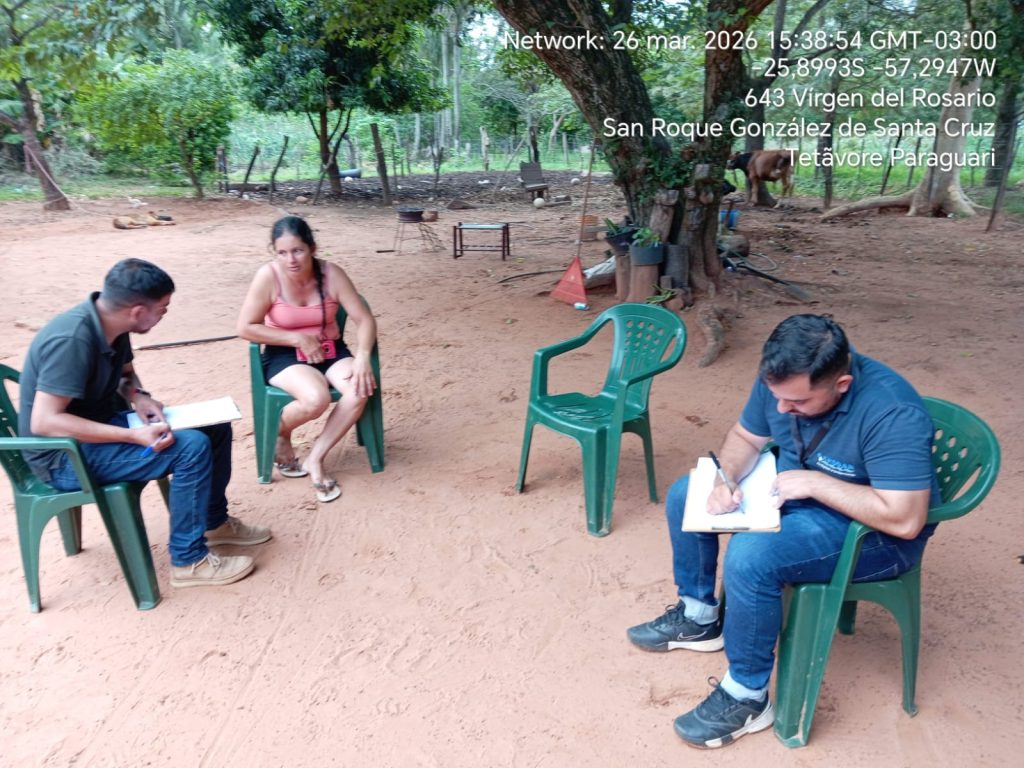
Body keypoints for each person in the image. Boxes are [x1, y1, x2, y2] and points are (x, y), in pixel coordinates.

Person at [627, 314, 939, 749]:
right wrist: (728, 479)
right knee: (686, 495)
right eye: (776, 397)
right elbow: (747, 436)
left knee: (752, 556)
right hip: (794, 494)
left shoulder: (891, 412)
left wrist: (816, 484)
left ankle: (747, 696)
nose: (781, 409)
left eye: (796, 403)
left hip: (872, 533)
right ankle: (699, 617)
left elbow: (905, 520)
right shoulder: (781, 380)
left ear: (841, 385)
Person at [20, 259, 270, 588]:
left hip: (98, 428)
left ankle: (214, 522)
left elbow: (126, 377)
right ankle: (188, 561)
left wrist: (140, 397)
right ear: (138, 311)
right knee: (190, 449)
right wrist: (132, 435)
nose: (165, 313)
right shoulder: (72, 340)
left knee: (215, 426)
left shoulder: (112, 323)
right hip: (62, 458)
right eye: (163, 308)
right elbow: (45, 421)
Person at [237, 215, 377, 503]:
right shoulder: (268, 276)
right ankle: (279, 431)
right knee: (316, 399)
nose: (291, 260)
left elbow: (364, 319)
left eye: (298, 250)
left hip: (330, 350)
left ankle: (315, 458)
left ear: (313, 247)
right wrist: (295, 337)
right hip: (284, 354)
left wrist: (362, 356)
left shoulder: (332, 274)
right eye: (282, 252)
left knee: (359, 387)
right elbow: (245, 327)